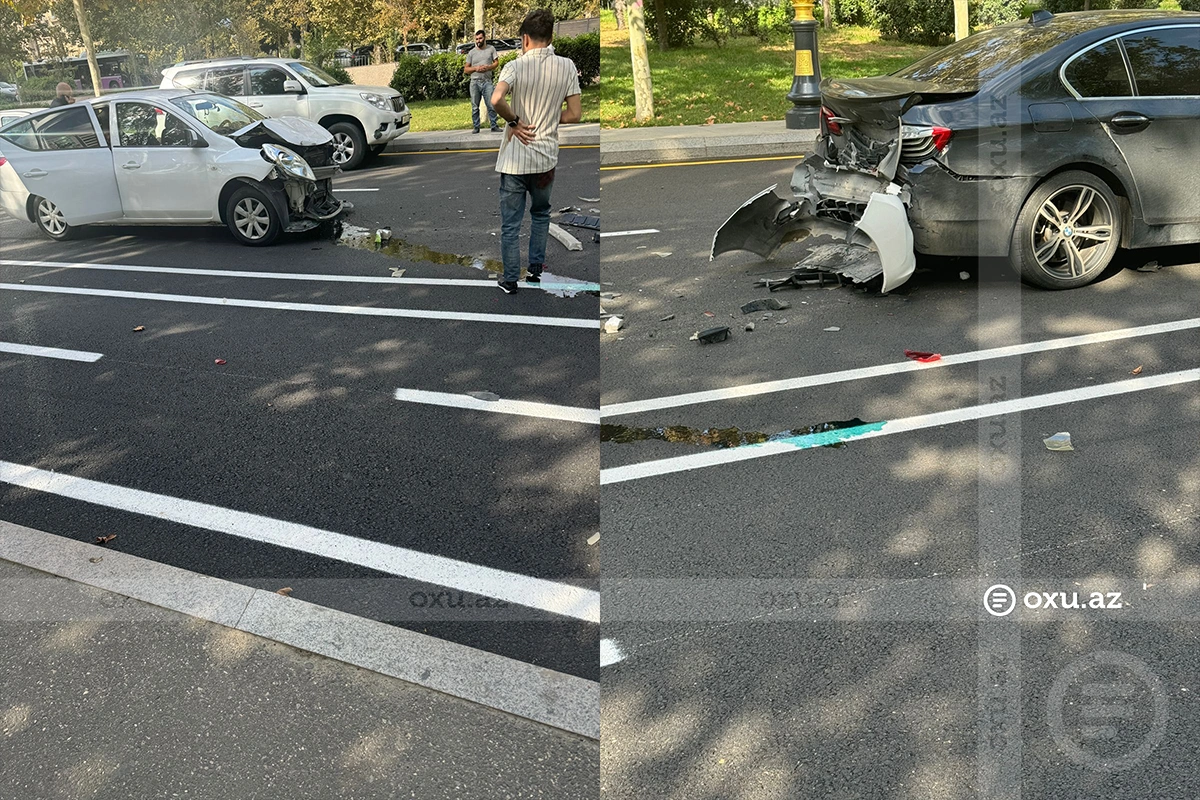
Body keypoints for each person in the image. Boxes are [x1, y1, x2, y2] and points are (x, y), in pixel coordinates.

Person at [490, 10, 582, 294]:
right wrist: (552, 118)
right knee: (541, 214)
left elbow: (496, 100)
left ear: (524, 39)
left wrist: (514, 121)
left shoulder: (515, 67)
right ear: (551, 37)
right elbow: (575, 114)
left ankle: (509, 279)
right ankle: (535, 269)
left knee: (511, 223)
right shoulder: (567, 66)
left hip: (515, 159)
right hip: (545, 159)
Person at [464, 30, 500, 134]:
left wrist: (489, 67)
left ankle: (494, 125)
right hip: (475, 82)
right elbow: (466, 69)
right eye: (476, 39)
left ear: (484, 38)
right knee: (475, 106)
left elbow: (496, 63)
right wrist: (476, 68)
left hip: (487, 81)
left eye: (480, 38)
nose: (478, 41)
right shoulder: (472, 52)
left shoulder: (491, 49)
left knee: (491, 104)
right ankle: (476, 127)